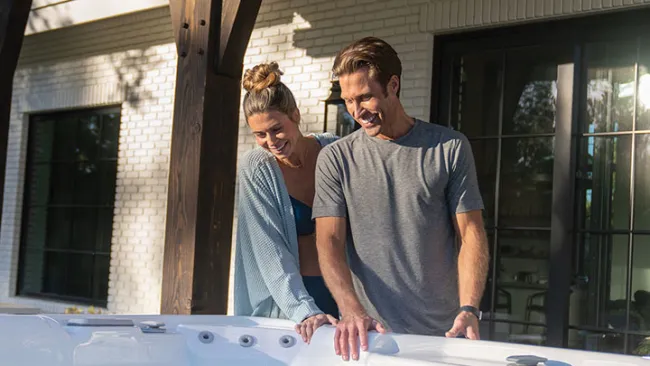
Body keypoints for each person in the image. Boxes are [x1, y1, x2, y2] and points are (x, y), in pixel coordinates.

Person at [312, 37, 490, 361]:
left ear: (392, 85)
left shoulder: (448, 148)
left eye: (365, 97)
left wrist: (470, 307)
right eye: (349, 100)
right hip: (372, 338)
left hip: (445, 336)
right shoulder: (335, 160)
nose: (356, 111)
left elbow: (470, 234)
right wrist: (350, 309)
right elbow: (330, 242)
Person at [233, 62, 339, 343]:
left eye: (276, 128)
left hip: (346, 294)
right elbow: (270, 251)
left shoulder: (334, 150)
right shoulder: (256, 167)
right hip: (291, 304)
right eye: (259, 134)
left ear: (296, 115)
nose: (271, 141)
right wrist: (304, 311)